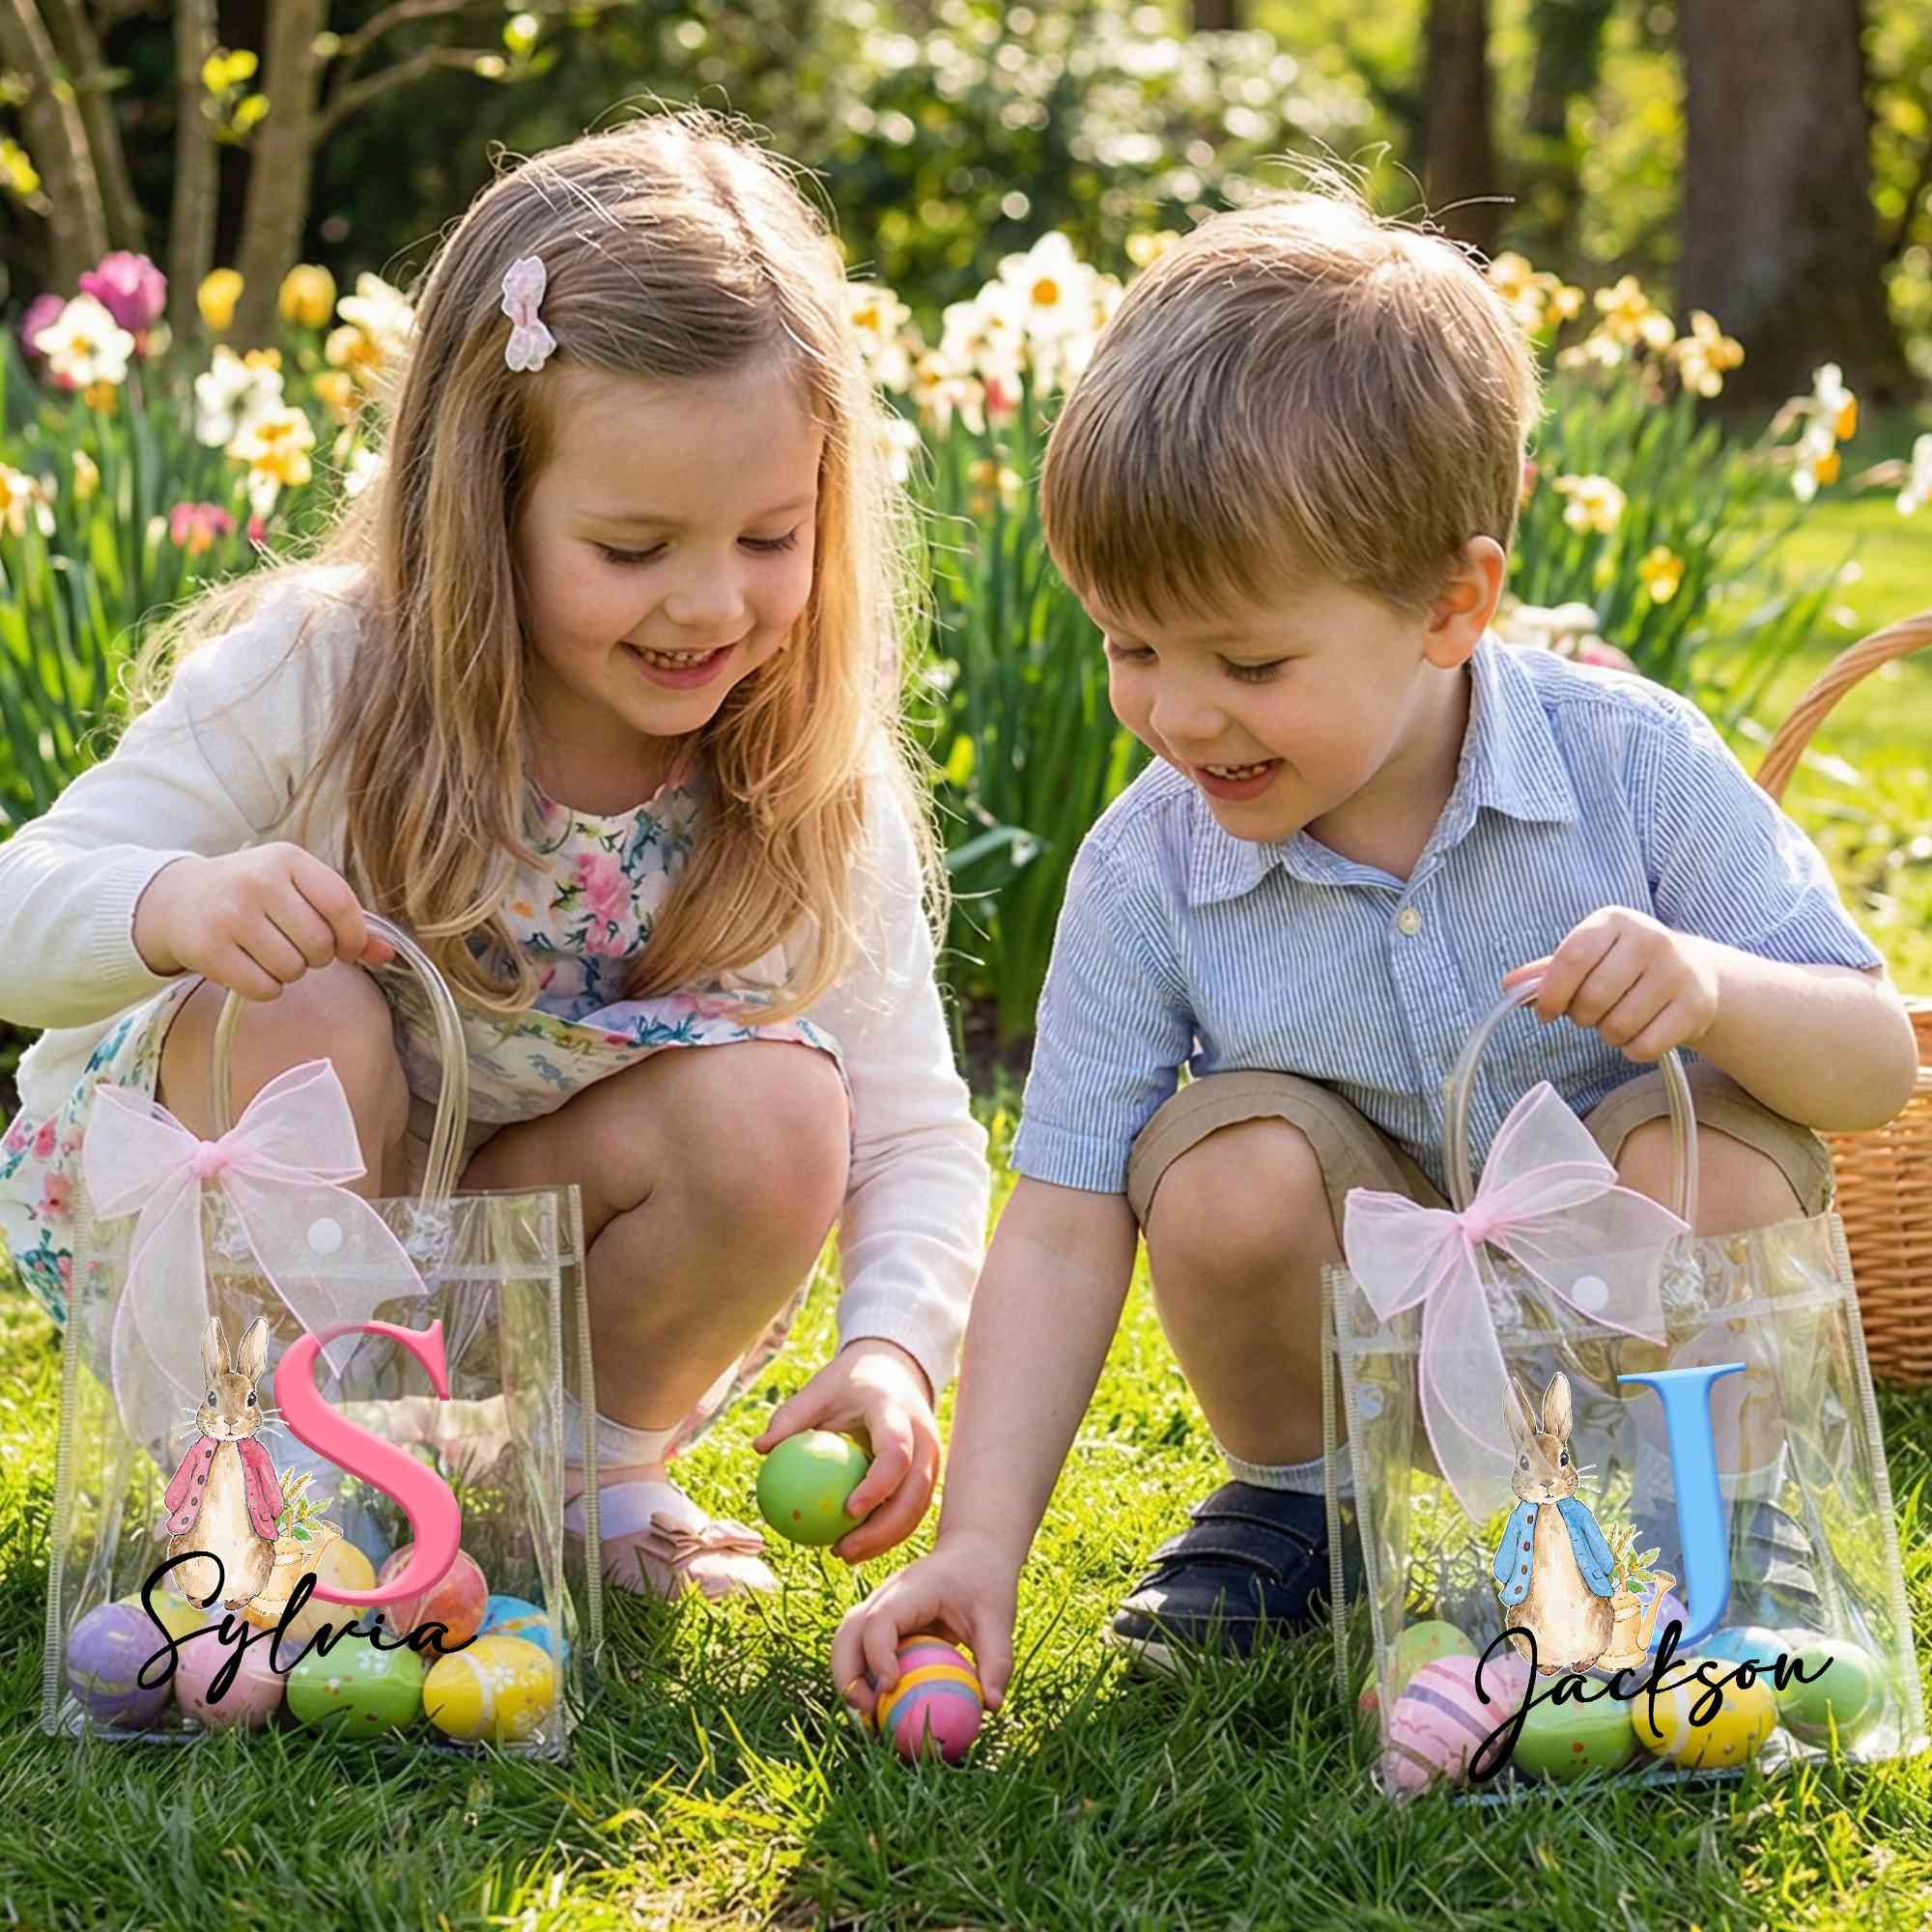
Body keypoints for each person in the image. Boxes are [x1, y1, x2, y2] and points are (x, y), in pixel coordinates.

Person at [833, 186, 1918, 1716]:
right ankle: (1312, 1501)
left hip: (1630, 1336)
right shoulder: (1148, 863)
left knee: (1712, 1158)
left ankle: (1724, 1527)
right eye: (1129, 647)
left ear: (1453, 603)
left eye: (1250, 662)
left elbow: (1874, 1063)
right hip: (1372, 1340)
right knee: (1220, 1167)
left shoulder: (1631, 764)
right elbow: (1068, 1216)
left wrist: (1719, 991)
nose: (1182, 714)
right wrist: (983, 1546)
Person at [0, 109, 990, 1604]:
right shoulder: (326, 675)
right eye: (634, 549)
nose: (709, 605)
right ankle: (279, 1475)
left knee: (785, 1109)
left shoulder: (794, 768)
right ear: (483, 503)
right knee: (307, 1005)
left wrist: (892, 1347)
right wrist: (178, 902)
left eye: (770, 539)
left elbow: (913, 1123)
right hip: (248, 1243)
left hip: (503, 1231)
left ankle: (577, 1486)